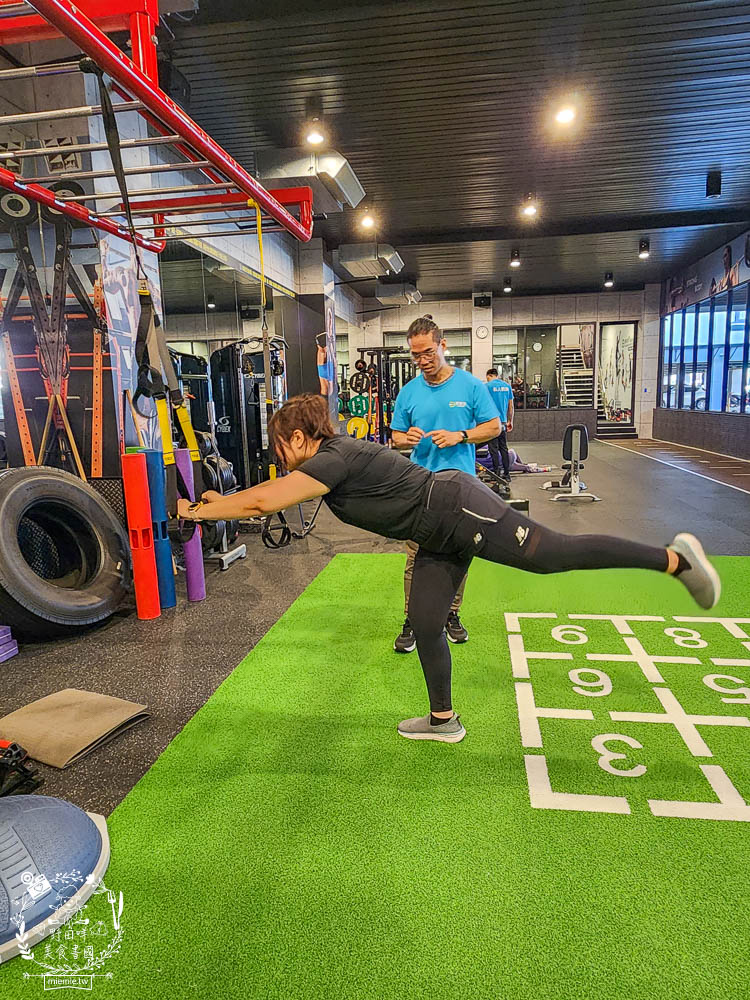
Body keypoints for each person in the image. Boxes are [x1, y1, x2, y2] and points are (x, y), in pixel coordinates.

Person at [178, 394, 721, 744]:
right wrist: (216, 500)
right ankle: (444, 721)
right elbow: (265, 496)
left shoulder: (333, 456)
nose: (279, 456)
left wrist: (200, 510)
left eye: (280, 446)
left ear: (299, 438)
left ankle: (674, 560)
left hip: (459, 508)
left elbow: (260, 505)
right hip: (436, 534)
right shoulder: (333, 459)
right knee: (428, 622)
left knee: (556, 554)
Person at [388, 315, 500, 652]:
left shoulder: (470, 386)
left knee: (459, 553)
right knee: (415, 557)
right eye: (416, 355)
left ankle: (451, 614)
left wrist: (461, 436)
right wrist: (404, 438)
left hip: (461, 488)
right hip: (419, 487)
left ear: (443, 345)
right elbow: (394, 437)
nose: (422, 361)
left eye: (427, 353)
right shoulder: (409, 393)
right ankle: (411, 619)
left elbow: (494, 427)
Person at [485, 367, 513, 483]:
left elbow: (483, 406)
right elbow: (511, 406)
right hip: (502, 422)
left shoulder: (487, 387)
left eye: (487, 378)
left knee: (493, 449)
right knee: (503, 448)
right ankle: (507, 474)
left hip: (491, 422)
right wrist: (510, 421)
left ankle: (496, 473)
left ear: (490, 375)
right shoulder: (507, 386)